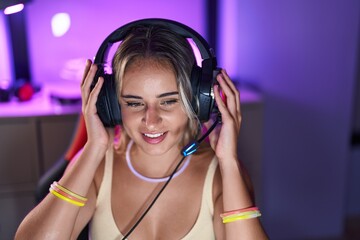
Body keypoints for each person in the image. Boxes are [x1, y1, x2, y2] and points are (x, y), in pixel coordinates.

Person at [15, 21, 268, 240]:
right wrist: (93, 149)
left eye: (168, 101)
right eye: (134, 103)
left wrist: (229, 161)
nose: (151, 120)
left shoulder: (223, 174)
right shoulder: (98, 166)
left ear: (198, 101)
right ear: (111, 104)